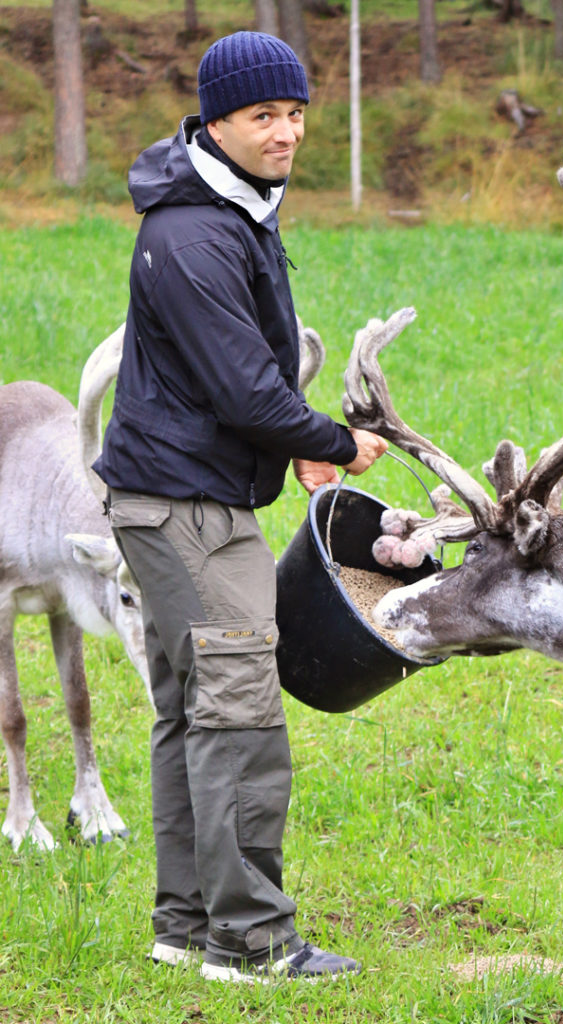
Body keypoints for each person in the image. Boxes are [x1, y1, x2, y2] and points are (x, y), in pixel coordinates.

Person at [94, 30, 387, 983]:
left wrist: (290, 453)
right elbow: (245, 391)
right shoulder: (193, 234)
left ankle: (184, 925)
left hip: (184, 495)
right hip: (182, 509)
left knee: (190, 713)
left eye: (297, 114)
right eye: (265, 115)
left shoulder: (234, 210)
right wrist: (334, 443)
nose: (286, 132)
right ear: (216, 120)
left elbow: (234, 380)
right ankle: (251, 942)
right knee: (240, 712)